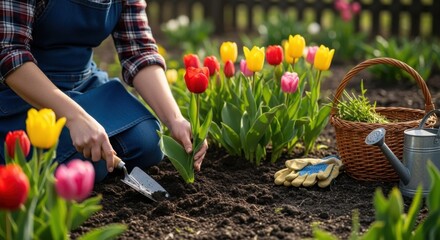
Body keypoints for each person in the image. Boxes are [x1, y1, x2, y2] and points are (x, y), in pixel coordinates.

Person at [0, 0, 208, 182]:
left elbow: (139, 51)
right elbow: (10, 54)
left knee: (148, 141)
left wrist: (175, 119)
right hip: (25, 93)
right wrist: (75, 118)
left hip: (85, 82)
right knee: (89, 160)